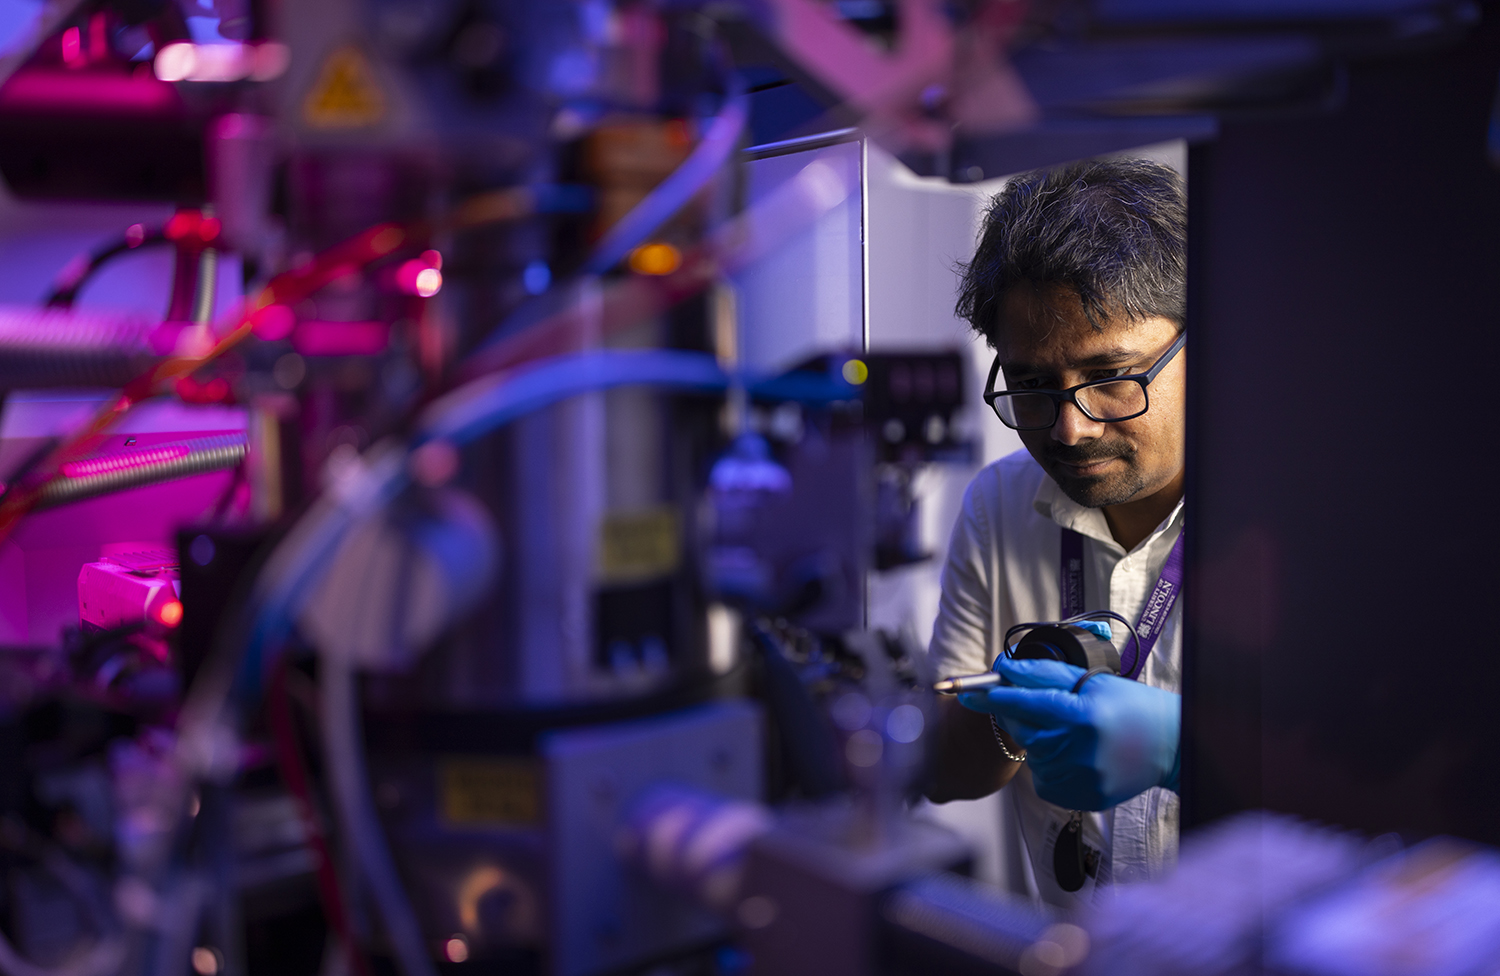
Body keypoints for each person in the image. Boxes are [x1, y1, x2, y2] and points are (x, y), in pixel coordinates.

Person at [925, 156, 1187, 908]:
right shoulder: (999, 505)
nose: (1070, 430)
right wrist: (1010, 714)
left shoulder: (1306, 510)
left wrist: (1180, 749)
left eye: (1113, 375)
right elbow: (946, 774)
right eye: (1034, 384)